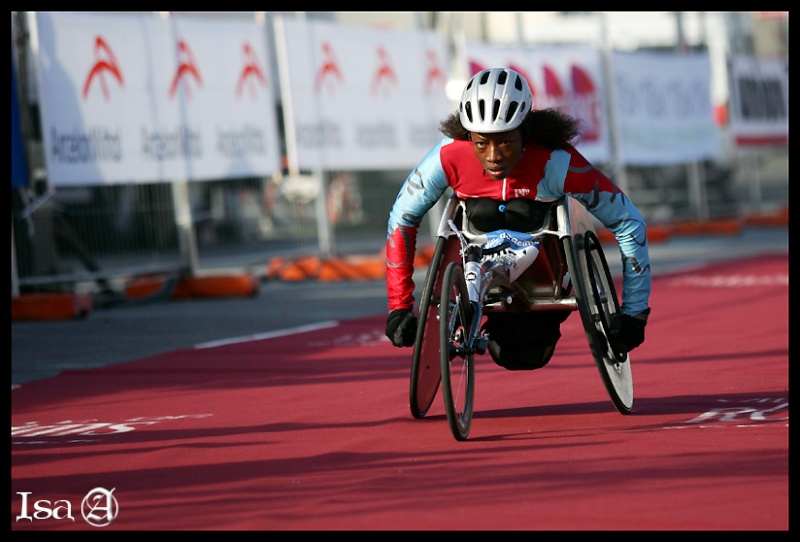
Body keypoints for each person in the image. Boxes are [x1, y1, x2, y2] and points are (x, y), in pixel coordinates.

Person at [384, 67, 651, 370]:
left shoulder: (556, 162)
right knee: (508, 354)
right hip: (479, 275)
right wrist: (399, 306)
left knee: (524, 356)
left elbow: (628, 221)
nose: (494, 156)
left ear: (525, 132)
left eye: (506, 142)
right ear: (468, 136)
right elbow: (401, 220)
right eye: (481, 144)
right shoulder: (447, 157)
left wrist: (634, 312)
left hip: (544, 281)